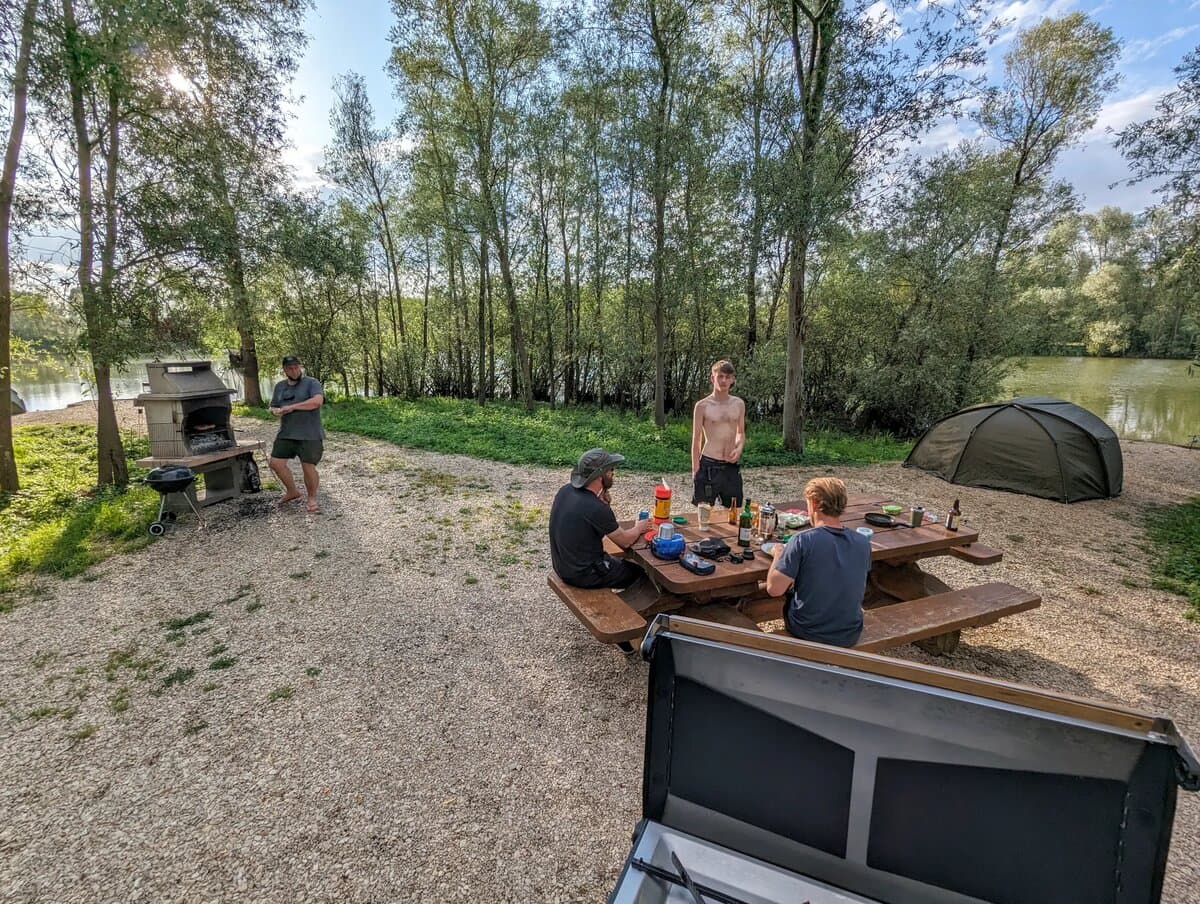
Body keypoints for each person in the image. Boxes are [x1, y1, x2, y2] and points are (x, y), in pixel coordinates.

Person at [764, 477, 871, 647]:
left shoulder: (802, 540)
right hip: (849, 632)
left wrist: (778, 555)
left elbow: (774, 589)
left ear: (814, 503)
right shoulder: (863, 542)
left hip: (809, 632)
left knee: (785, 592)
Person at [549, 448, 652, 589]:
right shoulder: (595, 507)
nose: (613, 473)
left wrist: (602, 495)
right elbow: (626, 541)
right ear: (599, 476)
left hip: (563, 566)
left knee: (621, 561)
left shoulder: (565, 491)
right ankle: (635, 609)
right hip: (584, 574)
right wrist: (639, 527)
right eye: (610, 470)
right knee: (642, 573)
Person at [268, 355, 325, 514]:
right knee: (275, 463)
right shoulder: (280, 386)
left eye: (296, 367)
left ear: (300, 367)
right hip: (287, 432)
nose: (294, 371)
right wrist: (275, 411)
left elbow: (317, 402)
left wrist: (292, 407)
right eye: (290, 368)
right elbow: (273, 406)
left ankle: (312, 498)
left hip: (309, 433)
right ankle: (292, 491)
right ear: (285, 370)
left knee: (308, 467)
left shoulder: (312, 383)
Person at [691, 359, 746, 507]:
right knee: (703, 513)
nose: (723, 380)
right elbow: (696, 439)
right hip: (709, 464)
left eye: (727, 377)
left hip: (730, 466)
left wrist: (739, 449)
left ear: (732, 380)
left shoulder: (739, 404)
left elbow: (740, 433)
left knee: (734, 511)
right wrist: (696, 470)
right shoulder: (702, 406)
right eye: (720, 376)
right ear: (712, 378)